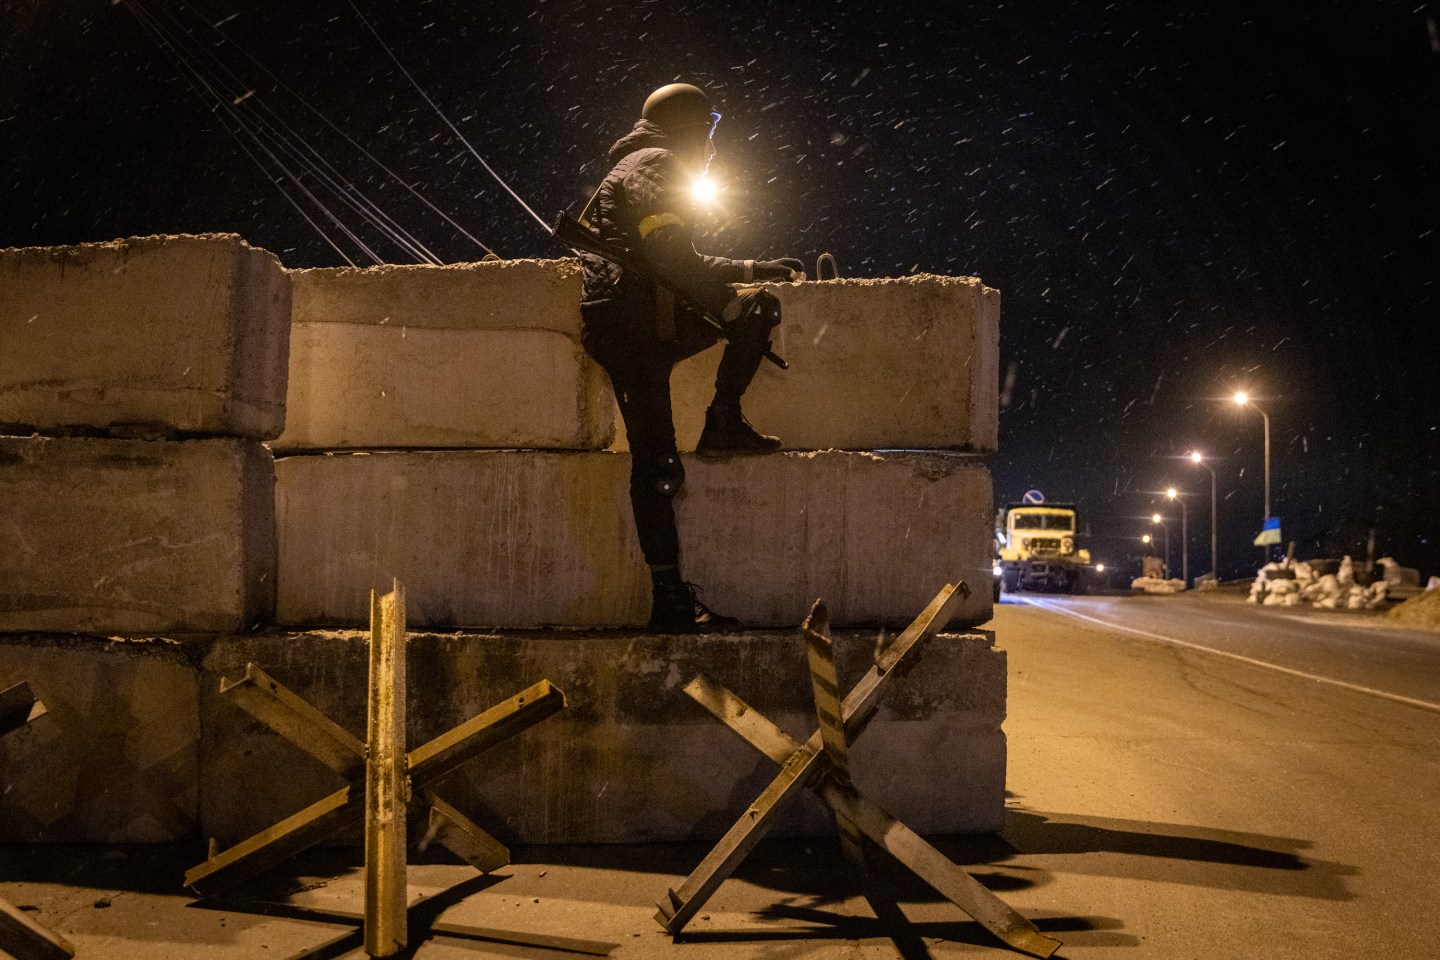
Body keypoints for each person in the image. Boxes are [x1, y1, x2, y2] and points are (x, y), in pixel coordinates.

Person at [576, 82, 804, 633]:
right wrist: (730, 304)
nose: (711, 142)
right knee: (758, 313)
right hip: (640, 324)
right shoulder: (659, 161)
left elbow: (673, 253)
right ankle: (724, 420)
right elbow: (671, 255)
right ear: (689, 127)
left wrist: (749, 268)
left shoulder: (635, 163)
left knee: (655, 467)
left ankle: (669, 597)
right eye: (709, 128)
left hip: (622, 322)